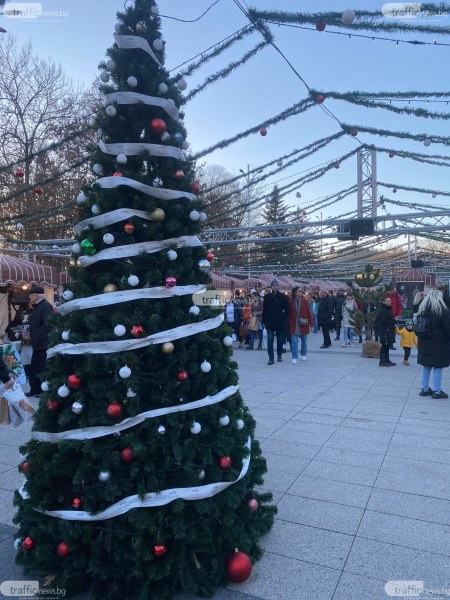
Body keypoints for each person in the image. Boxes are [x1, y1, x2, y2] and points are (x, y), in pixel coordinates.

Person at [416, 289, 450, 399]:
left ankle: (424, 389)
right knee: (437, 366)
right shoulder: (442, 311)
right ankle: (437, 391)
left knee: (426, 365)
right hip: (439, 343)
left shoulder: (422, 309)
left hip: (424, 342)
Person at [26, 286, 54, 397]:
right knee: (34, 368)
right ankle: (35, 389)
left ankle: (43, 391)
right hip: (37, 344)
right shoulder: (37, 307)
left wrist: (37, 337)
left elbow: (47, 325)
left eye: (30, 296)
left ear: (36, 296)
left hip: (43, 344)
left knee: (42, 368)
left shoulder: (46, 306)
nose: (29, 298)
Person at [262, 279, 289, 365]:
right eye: (273, 285)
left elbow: (287, 309)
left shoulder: (283, 297)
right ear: (271, 287)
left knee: (280, 340)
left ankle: (279, 355)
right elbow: (264, 310)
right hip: (270, 322)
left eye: (276, 285)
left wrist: (284, 317)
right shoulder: (267, 297)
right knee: (270, 340)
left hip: (280, 322)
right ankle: (271, 357)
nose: (275, 287)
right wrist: (264, 322)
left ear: (278, 286)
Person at [288, 287, 313, 363]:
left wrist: (311, 323)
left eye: (301, 291)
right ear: (295, 292)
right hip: (294, 323)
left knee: (304, 340)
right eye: (299, 291)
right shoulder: (291, 301)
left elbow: (309, 312)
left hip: (303, 323)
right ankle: (294, 357)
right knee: (294, 341)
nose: (301, 292)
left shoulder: (305, 301)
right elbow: (288, 313)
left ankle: (303, 354)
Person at [374, 297, 396, 366]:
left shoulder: (388, 310)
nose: (390, 302)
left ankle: (387, 360)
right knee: (384, 345)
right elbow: (384, 322)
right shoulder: (383, 310)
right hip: (385, 331)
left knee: (387, 345)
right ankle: (382, 361)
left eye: (390, 300)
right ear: (384, 302)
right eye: (388, 300)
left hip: (389, 331)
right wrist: (393, 321)